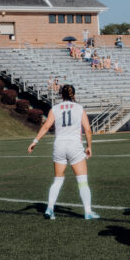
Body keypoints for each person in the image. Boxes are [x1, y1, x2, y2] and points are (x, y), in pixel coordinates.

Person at [27, 84, 98, 220]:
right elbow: (88, 130)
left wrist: (35, 141)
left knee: (58, 180)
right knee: (82, 180)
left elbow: (47, 126)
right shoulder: (79, 108)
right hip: (75, 145)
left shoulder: (55, 108)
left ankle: (49, 208)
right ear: (74, 95)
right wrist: (89, 146)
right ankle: (88, 211)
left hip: (59, 145)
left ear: (61, 95)